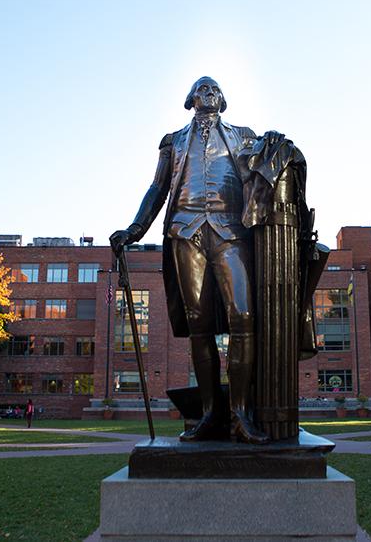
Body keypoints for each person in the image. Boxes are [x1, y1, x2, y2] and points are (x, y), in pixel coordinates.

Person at [111, 76, 284, 445]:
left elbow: (267, 170)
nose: (209, 93)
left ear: (223, 100)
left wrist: (279, 147)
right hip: (186, 232)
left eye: (215, 89)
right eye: (202, 89)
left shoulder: (243, 135)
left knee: (244, 316)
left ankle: (240, 414)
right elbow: (158, 188)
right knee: (199, 324)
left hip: (230, 231)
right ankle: (209, 414)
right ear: (190, 99)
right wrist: (134, 228)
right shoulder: (172, 141)